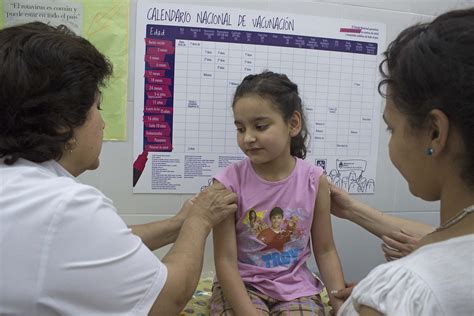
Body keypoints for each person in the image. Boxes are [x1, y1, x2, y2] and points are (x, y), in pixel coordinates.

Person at [0, 22, 237, 315]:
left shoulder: (20, 188)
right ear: (61, 122)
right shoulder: (64, 204)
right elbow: (167, 299)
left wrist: (179, 225)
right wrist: (200, 220)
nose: (102, 122)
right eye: (97, 107)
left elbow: (101, 244)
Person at [334, 8, 474, 315]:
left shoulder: (405, 290)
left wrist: (378, 303)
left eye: (391, 128)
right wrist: (350, 209)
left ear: (434, 133)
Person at [211, 71, 346, 315]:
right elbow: (225, 261)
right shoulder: (227, 183)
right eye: (240, 128)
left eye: (260, 126)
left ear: (293, 124)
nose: (248, 138)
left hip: (295, 288)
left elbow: (325, 250)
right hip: (243, 286)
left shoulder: (314, 181)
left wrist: (339, 303)